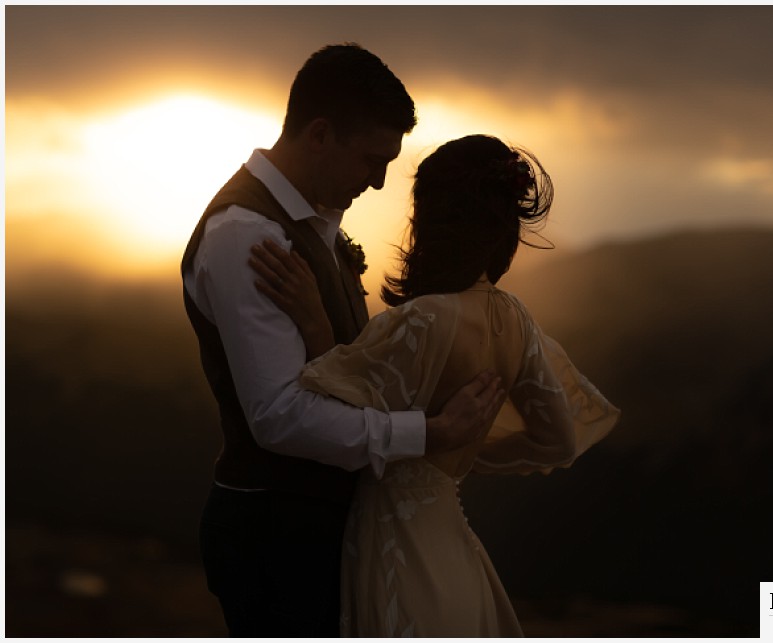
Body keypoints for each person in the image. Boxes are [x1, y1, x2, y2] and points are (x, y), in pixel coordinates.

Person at [180, 45, 505, 637]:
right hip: (276, 535)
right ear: (321, 134)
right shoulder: (249, 238)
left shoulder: (313, 226)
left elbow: (339, 370)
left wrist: (322, 330)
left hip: (317, 528)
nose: (379, 183)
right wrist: (431, 433)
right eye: (371, 160)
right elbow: (279, 417)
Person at [249, 134, 621, 636]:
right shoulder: (514, 318)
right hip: (453, 546)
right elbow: (557, 440)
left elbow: (317, 396)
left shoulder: (420, 321)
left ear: (431, 222)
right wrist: (459, 453)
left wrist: (315, 322)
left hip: (395, 550)